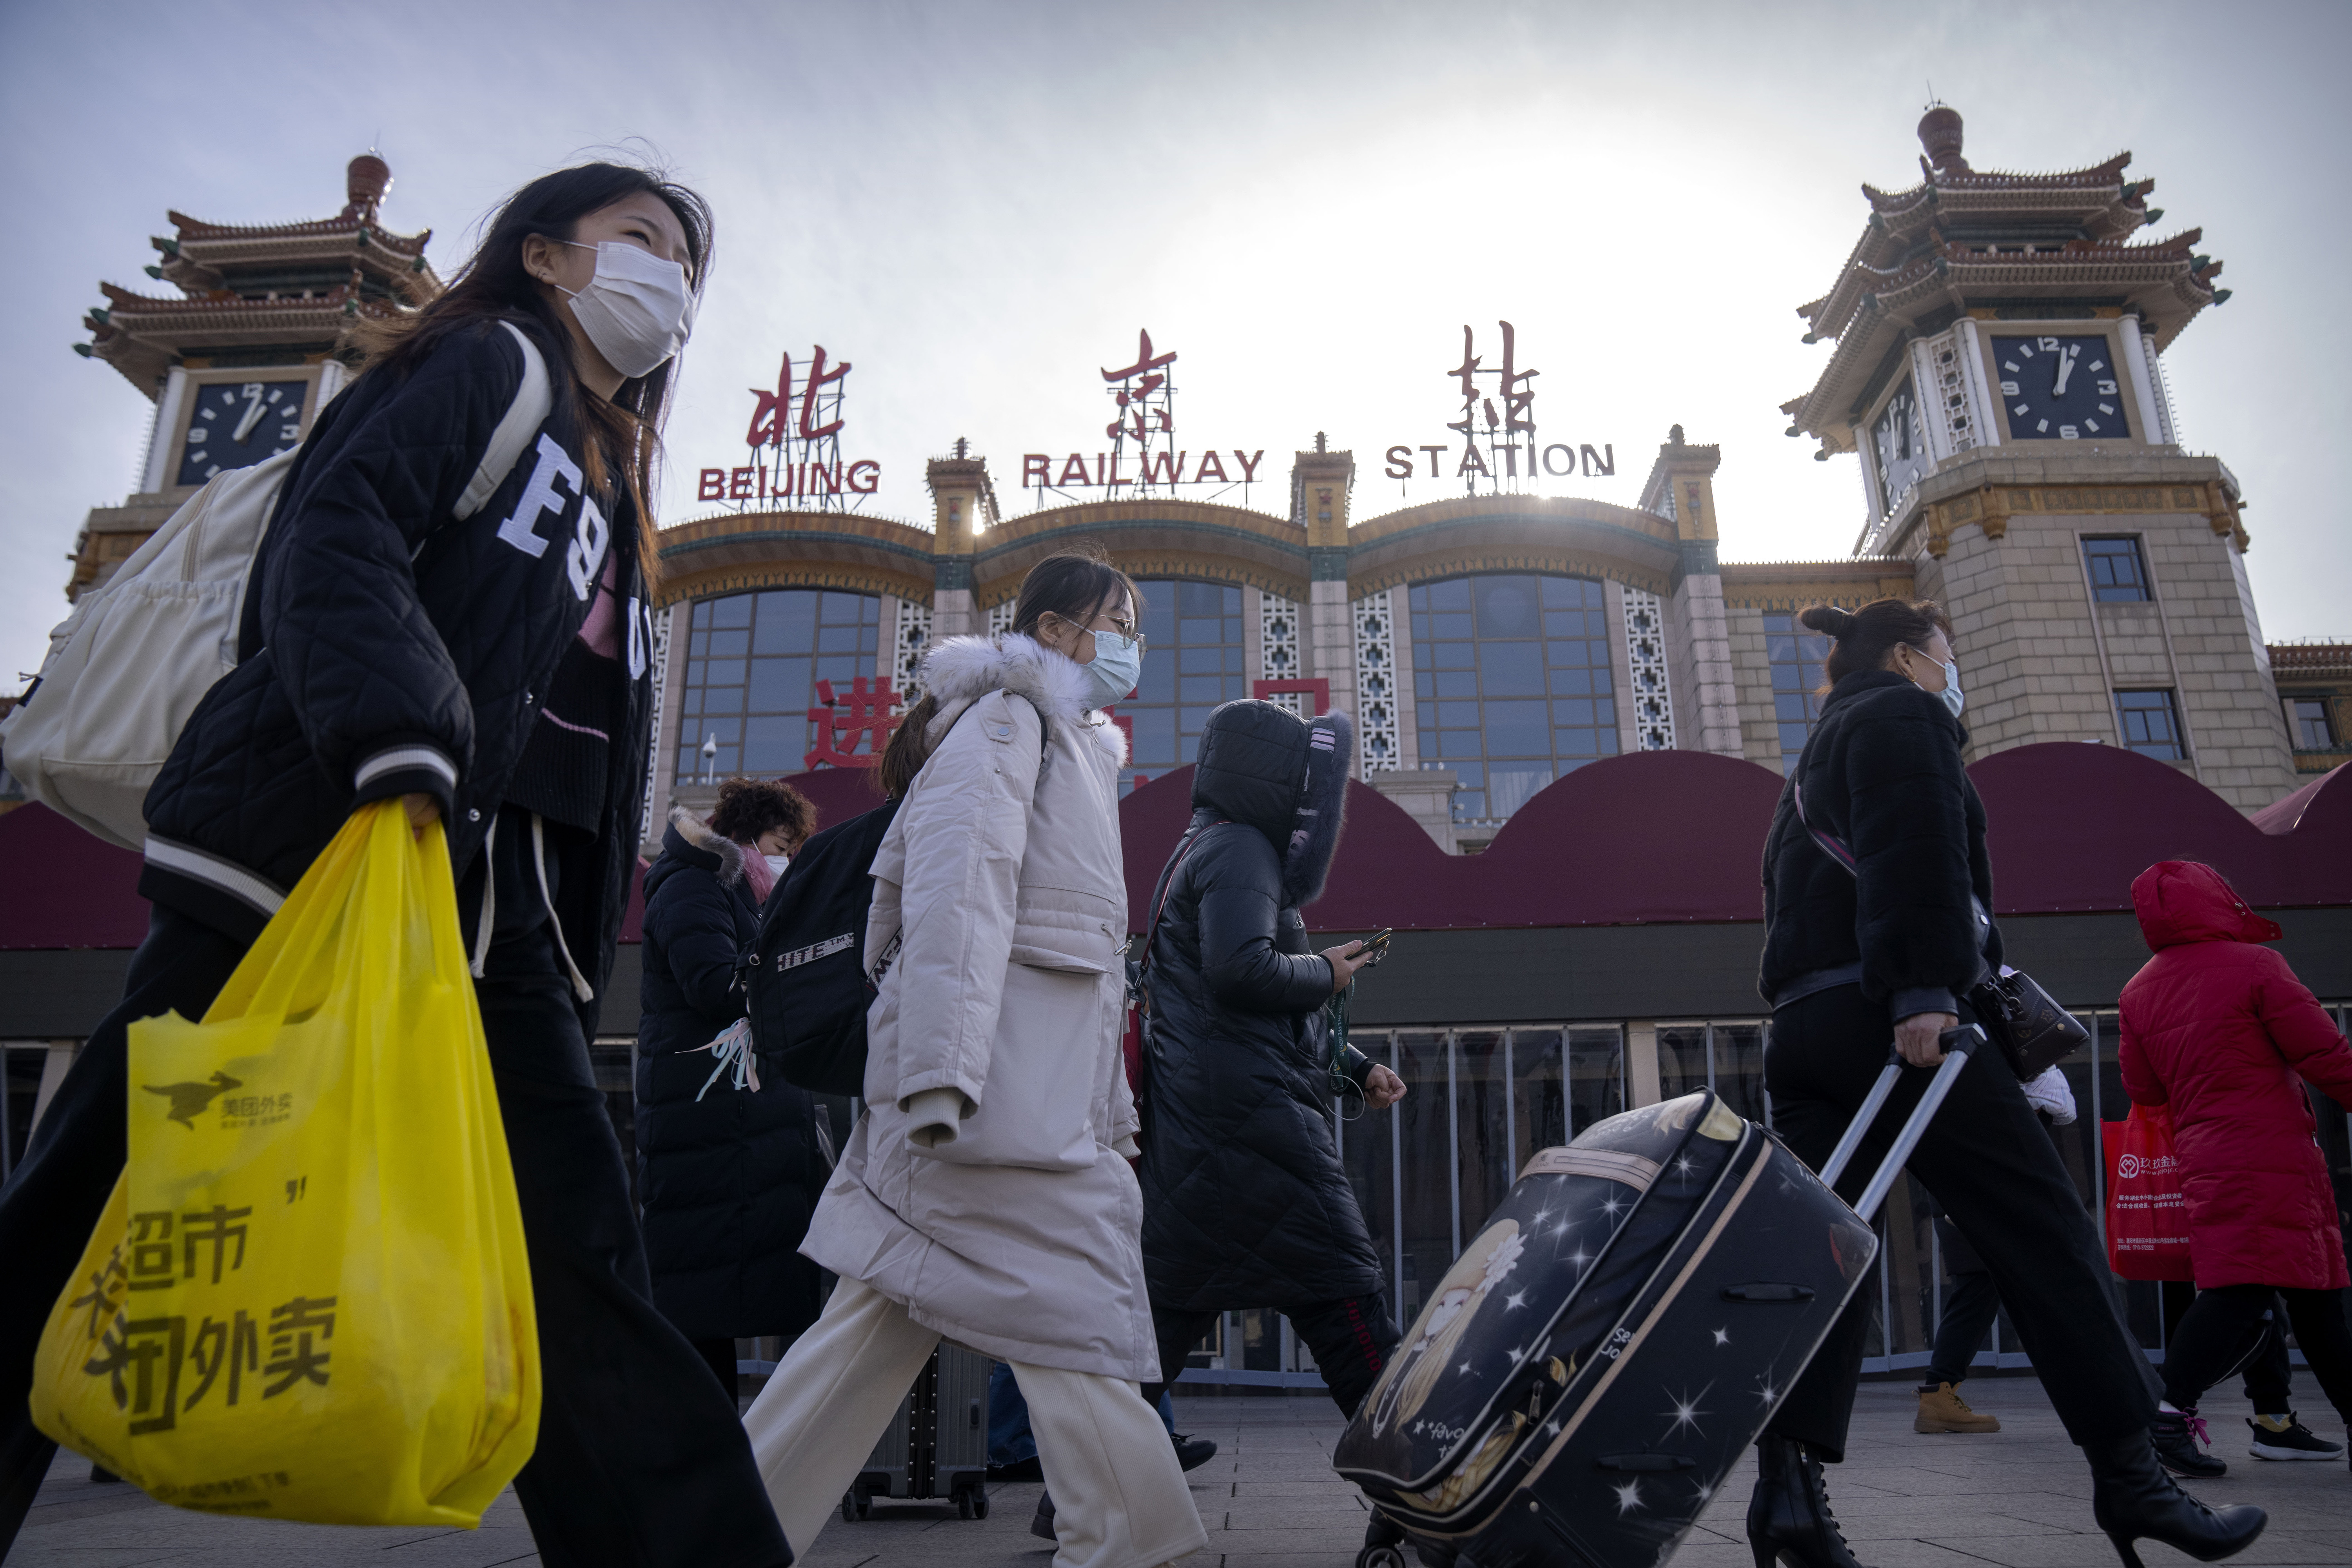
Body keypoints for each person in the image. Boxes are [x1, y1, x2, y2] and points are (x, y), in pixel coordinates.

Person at [0, 163, 795, 1566]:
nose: (669, 278)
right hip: (319, 843)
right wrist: (397, 737)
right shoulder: (489, 365)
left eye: (685, 261)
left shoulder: (614, 483)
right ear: (548, 258)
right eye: (642, 241)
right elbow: (339, 528)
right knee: (83, 1201)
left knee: (577, 1272)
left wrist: (567, 926)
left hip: (501, 927)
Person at [1751, 599, 2263, 1568]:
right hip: (1895, 1019)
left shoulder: (1815, 750)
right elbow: (1919, 856)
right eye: (1946, 657)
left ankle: (1788, 1492)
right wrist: (1925, 988)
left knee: (1830, 1255)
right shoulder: (1905, 716)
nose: (1953, 674)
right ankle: (2133, 1477)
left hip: (1806, 1027)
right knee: (2044, 1231)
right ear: (1908, 656)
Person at [741, 551, 1207, 1568]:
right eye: (1115, 620)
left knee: (880, 1327)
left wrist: (1106, 1110)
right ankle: (1127, 1539)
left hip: (1024, 1101)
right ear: (1052, 631)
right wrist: (937, 1075)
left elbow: (1078, 964)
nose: (1132, 642)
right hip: (985, 1102)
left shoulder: (1075, 745)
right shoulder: (1008, 723)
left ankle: (721, 1535)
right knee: (1074, 1313)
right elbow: (959, 899)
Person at [1130, 697, 1407, 1555]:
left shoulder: (1199, 848)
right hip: (1253, 1124)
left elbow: (1235, 1000)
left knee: (1161, 1327)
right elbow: (1243, 972)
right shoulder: (1242, 848)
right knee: (1348, 1305)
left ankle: (1079, 1500)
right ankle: (1420, 1495)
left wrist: (1355, 1065)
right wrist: (1323, 971)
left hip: (1206, 1121)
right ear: (1278, 778)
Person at [2118, 858, 2352, 1479]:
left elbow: (2144, 1088)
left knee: (2314, 1295)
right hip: (2272, 1152)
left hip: (2208, 1153)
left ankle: (2261, 1422)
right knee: (2248, 1294)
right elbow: (2323, 1052)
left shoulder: (2138, 989)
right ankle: (2163, 1415)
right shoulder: (2256, 965)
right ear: (2218, 900)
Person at [636, 777, 831, 1399]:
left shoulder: (744, 890)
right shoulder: (693, 882)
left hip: (738, 1123)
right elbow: (713, 986)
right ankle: (707, 1442)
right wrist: (789, 957)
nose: (788, 855)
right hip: (709, 1121)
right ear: (747, 834)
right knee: (703, 1293)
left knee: (747, 1282)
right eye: (782, 841)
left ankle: (755, 1442)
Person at [1915, 1065, 2080, 1435]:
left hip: (1967, 1192)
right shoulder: (1991, 1072)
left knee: (1979, 1295)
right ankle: (1938, 1396)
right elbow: (2061, 1103)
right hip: (1977, 1195)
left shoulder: (1964, 1073)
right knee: (1987, 1292)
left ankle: (1939, 1394)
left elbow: (2060, 1105)